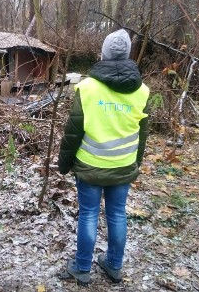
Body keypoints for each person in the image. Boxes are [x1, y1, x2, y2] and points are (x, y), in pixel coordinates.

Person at [57, 29, 150, 286]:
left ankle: (82, 267)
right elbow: (143, 134)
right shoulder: (142, 91)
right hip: (122, 166)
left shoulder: (86, 88)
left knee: (88, 214)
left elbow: (73, 131)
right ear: (128, 53)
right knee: (118, 214)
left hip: (90, 166)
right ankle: (114, 266)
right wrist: (136, 161)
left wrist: (63, 164)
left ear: (104, 52)